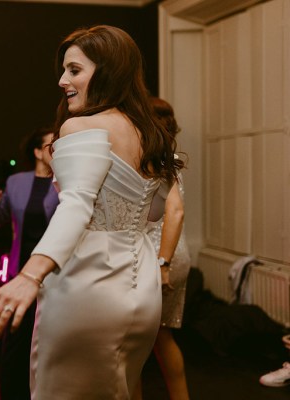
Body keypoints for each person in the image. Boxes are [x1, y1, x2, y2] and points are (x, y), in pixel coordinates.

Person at [0, 25, 183, 399]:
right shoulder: (151, 134)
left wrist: (30, 275)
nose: (62, 80)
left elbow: (77, 204)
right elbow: (154, 211)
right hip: (142, 291)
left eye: (74, 70)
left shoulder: (80, 127)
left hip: (88, 286)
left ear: (107, 72)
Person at [0, 127, 59, 400]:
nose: (57, 150)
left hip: (55, 276)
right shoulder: (16, 182)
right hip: (19, 272)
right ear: (37, 152)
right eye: (51, 145)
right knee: (16, 342)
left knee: (49, 344)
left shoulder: (67, 181)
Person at [133, 97, 191, 400]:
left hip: (159, 256)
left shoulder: (150, 161)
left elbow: (175, 212)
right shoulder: (168, 159)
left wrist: (162, 264)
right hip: (174, 253)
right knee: (160, 337)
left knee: (134, 344)